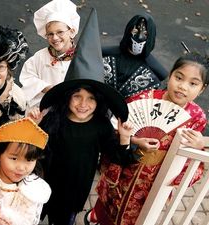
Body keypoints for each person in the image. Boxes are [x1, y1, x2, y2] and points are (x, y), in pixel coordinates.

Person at [33, 9, 138, 224]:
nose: (83, 104)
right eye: (77, 96)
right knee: (34, 216)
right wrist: (33, 129)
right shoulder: (54, 120)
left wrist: (125, 139)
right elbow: (33, 150)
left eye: (91, 98)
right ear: (66, 98)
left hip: (75, 190)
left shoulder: (100, 126)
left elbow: (118, 158)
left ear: (98, 102)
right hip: (44, 184)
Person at [91, 52, 208, 225]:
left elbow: (190, 153)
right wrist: (135, 140)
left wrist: (199, 146)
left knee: (139, 214)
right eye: (179, 77)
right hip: (128, 167)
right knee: (109, 206)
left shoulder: (197, 117)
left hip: (155, 178)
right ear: (170, 76)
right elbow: (118, 128)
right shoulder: (144, 98)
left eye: (193, 83)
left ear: (202, 89)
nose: (183, 86)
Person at [20, 0, 80, 109]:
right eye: (50, 34)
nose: (55, 38)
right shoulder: (40, 57)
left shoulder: (81, 58)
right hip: (44, 111)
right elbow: (27, 76)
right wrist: (45, 87)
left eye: (60, 32)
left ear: (71, 31)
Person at [103, 13, 168, 98]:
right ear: (129, 31)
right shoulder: (105, 53)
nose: (140, 37)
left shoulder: (156, 71)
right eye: (135, 32)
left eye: (145, 34)